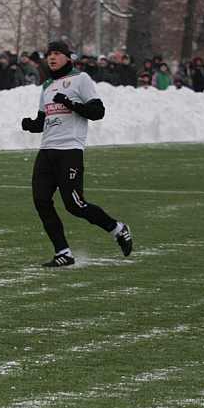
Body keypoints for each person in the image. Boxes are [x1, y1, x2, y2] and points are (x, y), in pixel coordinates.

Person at [19, 39, 133, 267]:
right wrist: (32, 124)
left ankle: (118, 229)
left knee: (75, 205)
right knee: (41, 200)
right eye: (49, 54)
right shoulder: (47, 85)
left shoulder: (81, 79)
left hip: (69, 150)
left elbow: (97, 112)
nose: (51, 57)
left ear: (68, 57)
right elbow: (44, 120)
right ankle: (63, 252)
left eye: (56, 53)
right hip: (46, 151)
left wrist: (71, 103)